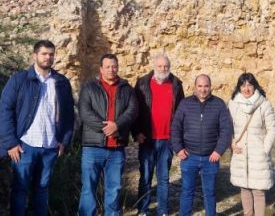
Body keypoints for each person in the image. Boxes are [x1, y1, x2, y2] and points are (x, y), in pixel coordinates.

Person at [0, 39, 75, 216]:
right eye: (44, 54)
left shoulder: (61, 82)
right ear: (35, 56)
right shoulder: (19, 79)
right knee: (20, 188)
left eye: (51, 54)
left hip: (51, 146)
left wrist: (64, 140)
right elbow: (5, 110)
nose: (48, 57)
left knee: (42, 188)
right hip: (25, 145)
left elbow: (69, 115)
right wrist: (10, 142)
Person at [78, 53, 138, 216]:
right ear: (101, 69)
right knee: (88, 188)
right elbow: (85, 112)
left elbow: (132, 111)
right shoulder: (89, 87)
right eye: (108, 67)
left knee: (114, 189)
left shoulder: (127, 88)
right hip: (92, 147)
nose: (111, 70)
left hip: (116, 149)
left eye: (114, 66)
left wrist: (117, 125)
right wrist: (107, 127)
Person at [170, 74, 233, 216]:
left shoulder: (219, 104)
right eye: (200, 86)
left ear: (210, 87)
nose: (203, 89)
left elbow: (226, 130)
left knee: (209, 193)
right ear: (195, 87)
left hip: (210, 157)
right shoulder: (185, 104)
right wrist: (178, 148)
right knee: (187, 191)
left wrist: (219, 151)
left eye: (206, 86)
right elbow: (175, 127)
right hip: (189, 157)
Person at [132, 54, 185, 216]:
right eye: (160, 66)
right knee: (146, 177)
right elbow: (134, 111)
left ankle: (162, 210)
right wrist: (137, 133)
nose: (163, 69)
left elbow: (181, 113)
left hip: (167, 140)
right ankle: (143, 210)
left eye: (166, 66)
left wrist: (178, 138)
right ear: (154, 66)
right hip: (147, 139)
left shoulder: (176, 84)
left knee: (163, 178)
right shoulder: (142, 84)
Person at [229, 73, 275, 216]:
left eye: (249, 85)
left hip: (258, 154)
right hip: (240, 152)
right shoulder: (233, 104)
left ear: (255, 86)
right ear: (239, 87)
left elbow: (273, 128)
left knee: (258, 191)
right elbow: (227, 128)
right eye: (243, 85)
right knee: (244, 189)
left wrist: (265, 149)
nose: (246, 89)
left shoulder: (264, 104)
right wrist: (232, 143)